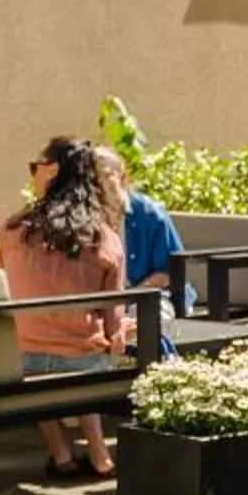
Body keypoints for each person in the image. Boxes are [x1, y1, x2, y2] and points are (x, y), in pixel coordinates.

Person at [0, 137, 132, 478]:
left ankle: (61, 455)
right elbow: (113, 316)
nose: (32, 175)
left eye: (35, 168)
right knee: (85, 349)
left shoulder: (13, 230)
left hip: (23, 358)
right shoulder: (102, 238)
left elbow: (8, 281)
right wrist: (117, 337)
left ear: (52, 173)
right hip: (83, 363)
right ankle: (101, 455)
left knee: (40, 351)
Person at [92, 143, 187, 346]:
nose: (98, 183)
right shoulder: (87, 218)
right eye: (92, 178)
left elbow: (169, 271)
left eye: (106, 175)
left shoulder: (150, 214)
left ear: (123, 178)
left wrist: (128, 297)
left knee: (149, 323)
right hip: (104, 300)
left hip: (146, 295)